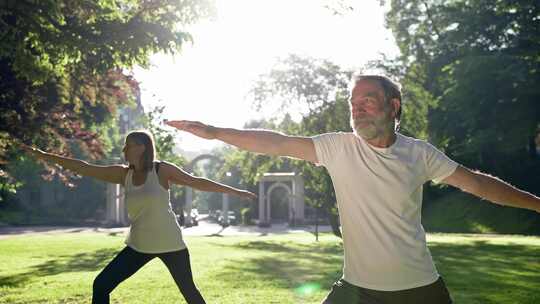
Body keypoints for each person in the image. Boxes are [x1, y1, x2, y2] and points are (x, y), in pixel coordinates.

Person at [165, 74, 540, 304]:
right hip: (358, 291)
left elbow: (478, 184)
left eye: (367, 101)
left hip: (420, 290)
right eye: (352, 103)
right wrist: (215, 132)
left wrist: (537, 204)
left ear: (393, 107)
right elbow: (275, 142)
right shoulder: (338, 147)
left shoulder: (419, 154)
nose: (357, 109)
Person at [22, 130, 256, 304]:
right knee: (101, 285)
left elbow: (197, 182)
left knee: (190, 293)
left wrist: (235, 191)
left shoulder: (161, 170)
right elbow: (84, 167)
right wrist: (45, 156)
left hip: (170, 244)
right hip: (139, 245)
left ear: (142, 147)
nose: (124, 149)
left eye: (128, 145)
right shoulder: (122, 175)